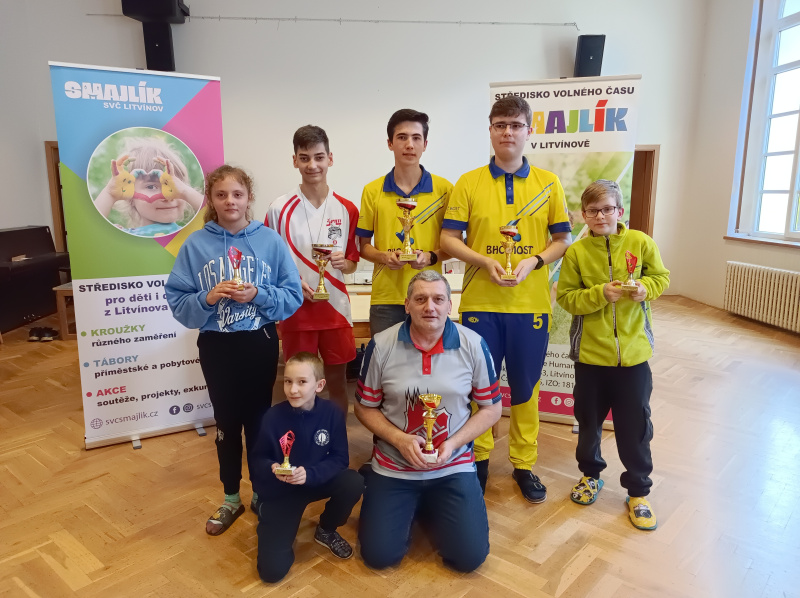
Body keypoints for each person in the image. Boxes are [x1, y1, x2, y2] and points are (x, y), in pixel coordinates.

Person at [440, 96, 572, 503]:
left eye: (515, 125)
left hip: (530, 306)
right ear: (491, 130)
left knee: (526, 387)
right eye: (500, 125)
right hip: (480, 303)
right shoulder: (469, 182)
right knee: (479, 385)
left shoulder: (548, 183)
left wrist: (534, 261)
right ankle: (478, 458)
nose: (508, 132)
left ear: (529, 131)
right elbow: (448, 238)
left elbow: (562, 239)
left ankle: (524, 463)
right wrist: (483, 260)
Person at [165, 165, 303, 535]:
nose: (230, 201)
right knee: (226, 423)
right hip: (217, 346)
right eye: (221, 194)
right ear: (211, 200)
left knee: (259, 422)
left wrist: (258, 294)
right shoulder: (195, 245)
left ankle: (259, 492)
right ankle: (230, 498)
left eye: (237, 194)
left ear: (249, 198)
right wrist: (207, 298)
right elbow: (177, 301)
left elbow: (292, 296)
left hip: (259, 343)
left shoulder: (270, 241)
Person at [355, 270, 501, 572]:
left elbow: (491, 408)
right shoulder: (382, 344)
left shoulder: (474, 344)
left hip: (453, 465)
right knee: (379, 557)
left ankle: (429, 502)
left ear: (450, 305)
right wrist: (400, 440)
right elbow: (364, 408)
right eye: (420, 299)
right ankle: (409, 500)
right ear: (407, 305)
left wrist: (453, 444)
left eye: (438, 299)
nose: (429, 307)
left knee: (469, 559)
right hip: (394, 465)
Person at [556, 180, 669, 530]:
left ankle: (638, 491)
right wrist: (599, 294)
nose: (600, 216)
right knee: (588, 423)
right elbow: (566, 298)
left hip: (633, 358)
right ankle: (591, 476)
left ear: (620, 211)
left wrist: (646, 289)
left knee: (635, 427)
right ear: (584, 215)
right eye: (593, 210)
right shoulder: (575, 252)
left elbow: (661, 278)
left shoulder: (641, 242)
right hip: (590, 358)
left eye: (607, 209)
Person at [266, 126, 360, 413]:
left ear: (330, 158)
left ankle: (337, 438)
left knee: (337, 383)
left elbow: (353, 263)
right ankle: (301, 436)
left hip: (336, 311)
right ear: (294, 160)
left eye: (319, 157)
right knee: (299, 385)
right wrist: (293, 284)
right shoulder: (279, 209)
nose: (312, 165)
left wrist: (345, 263)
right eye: (304, 158)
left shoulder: (347, 209)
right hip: (296, 310)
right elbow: (269, 265)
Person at [250, 352, 364, 582]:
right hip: (281, 490)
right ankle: (267, 514)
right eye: (288, 381)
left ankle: (326, 529)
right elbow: (257, 459)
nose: (293, 389)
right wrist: (273, 468)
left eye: (302, 382)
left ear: (319, 385)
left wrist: (310, 474)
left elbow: (340, 458)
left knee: (354, 481)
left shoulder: (332, 413)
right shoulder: (272, 416)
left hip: (314, 480)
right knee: (272, 572)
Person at [356, 109, 453, 336]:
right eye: (402, 137)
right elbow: (363, 246)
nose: (409, 144)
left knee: (430, 359)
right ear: (390, 143)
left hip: (430, 298)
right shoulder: (372, 191)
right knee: (386, 359)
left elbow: (454, 245)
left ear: (425, 144)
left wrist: (430, 257)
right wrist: (384, 257)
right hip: (386, 299)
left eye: (416, 138)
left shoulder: (445, 190)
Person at [94, 137, 205, 236]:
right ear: (130, 198)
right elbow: (89, 227)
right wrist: (110, 193)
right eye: (151, 187)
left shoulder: (193, 235)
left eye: (176, 185)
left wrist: (185, 191)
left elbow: (213, 214)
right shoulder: (122, 236)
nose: (168, 196)